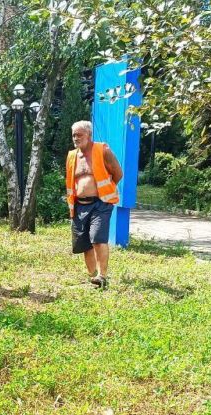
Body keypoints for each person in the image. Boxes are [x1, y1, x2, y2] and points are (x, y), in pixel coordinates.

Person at [65, 120, 123, 289]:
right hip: (79, 205)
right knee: (83, 243)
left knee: (97, 238)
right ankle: (93, 277)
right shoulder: (71, 156)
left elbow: (117, 173)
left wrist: (104, 190)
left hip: (101, 203)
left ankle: (102, 276)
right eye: (74, 135)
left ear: (89, 135)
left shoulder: (102, 150)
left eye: (79, 134)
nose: (76, 138)